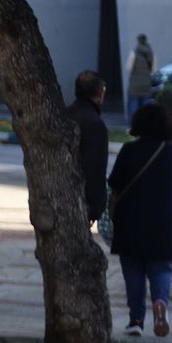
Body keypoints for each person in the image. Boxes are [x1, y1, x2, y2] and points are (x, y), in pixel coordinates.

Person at [108, 104, 172, 337]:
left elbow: (114, 182)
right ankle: (160, 302)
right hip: (161, 222)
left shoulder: (128, 150)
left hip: (130, 221)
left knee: (133, 270)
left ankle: (136, 320)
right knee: (160, 267)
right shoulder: (171, 152)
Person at [68, 69, 110, 226]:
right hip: (80, 201)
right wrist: (95, 208)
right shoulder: (94, 124)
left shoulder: (64, 115)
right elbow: (95, 169)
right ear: (100, 93)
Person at [125, 33, 156, 114]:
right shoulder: (151, 54)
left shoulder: (133, 53)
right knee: (146, 115)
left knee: (134, 114)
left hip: (134, 88)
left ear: (138, 41)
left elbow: (129, 68)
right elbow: (153, 71)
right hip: (146, 88)